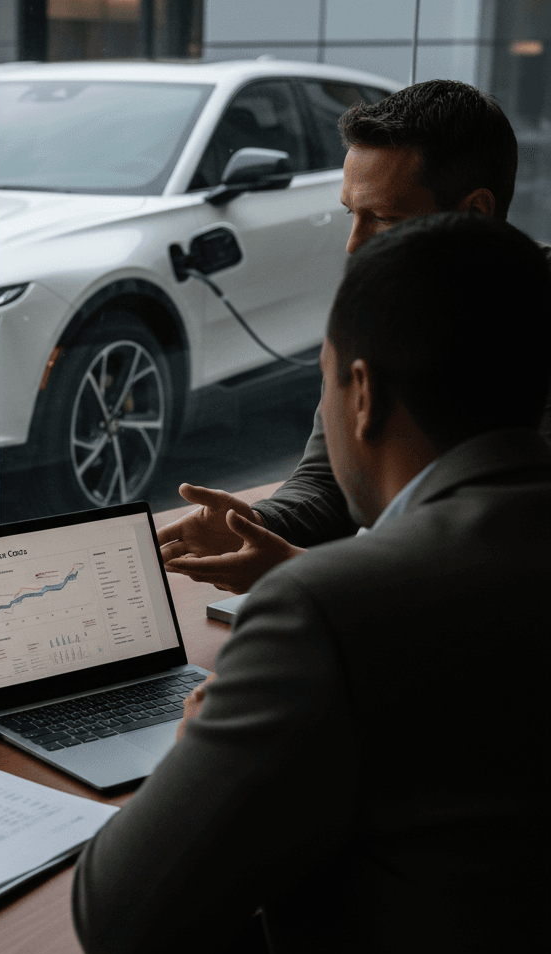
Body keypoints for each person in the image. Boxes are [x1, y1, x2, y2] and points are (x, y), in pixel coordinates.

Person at [72, 213, 551, 954]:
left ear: (361, 395)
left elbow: (118, 924)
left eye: (322, 379)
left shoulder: (325, 613)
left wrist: (198, 745)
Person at [157, 79, 551, 595]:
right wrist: (258, 526)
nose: (354, 246)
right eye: (351, 214)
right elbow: (328, 482)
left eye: (384, 219)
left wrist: (310, 584)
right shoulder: (378, 313)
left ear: (474, 211)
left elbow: (514, 568)